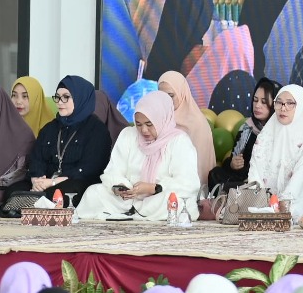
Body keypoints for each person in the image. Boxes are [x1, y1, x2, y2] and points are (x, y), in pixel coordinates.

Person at [74, 91, 198, 222]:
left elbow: (188, 183)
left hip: (158, 198)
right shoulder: (128, 135)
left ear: (162, 119)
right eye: (138, 124)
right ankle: (133, 212)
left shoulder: (179, 141)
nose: (143, 130)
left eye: (149, 124)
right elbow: (113, 171)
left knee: (176, 200)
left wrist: (153, 188)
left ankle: (132, 213)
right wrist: (120, 187)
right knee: (93, 192)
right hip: (127, 200)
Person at [248, 84, 303, 220]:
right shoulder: (267, 133)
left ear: (301, 106)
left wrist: (283, 202)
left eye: (290, 103)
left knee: (288, 213)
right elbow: (255, 168)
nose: (283, 108)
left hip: (301, 199)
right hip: (267, 201)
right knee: (254, 210)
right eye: (279, 102)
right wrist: (257, 198)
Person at [28, 75, 111, 201]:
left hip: (77, 182)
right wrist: (37, 181)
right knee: (13, 191)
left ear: (80, 98)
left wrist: (53, 182)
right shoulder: (49, 128)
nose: (59, 102)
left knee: (60, 193)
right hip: (46, 182)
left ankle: (32, 201)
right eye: (57, 97)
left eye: (66, 97)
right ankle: (33, 200)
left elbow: (90, 168)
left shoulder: (97, 130)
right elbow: (36, 159)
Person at [210, 79, 276, 190]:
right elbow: (233, 159)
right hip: (245, 180)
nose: (257, 105)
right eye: (255, 100)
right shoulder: (247, 128)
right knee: (215, 174)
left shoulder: (280, 132)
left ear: (275, 104)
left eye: (264, 102)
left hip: (268, 182)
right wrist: (232, 164)